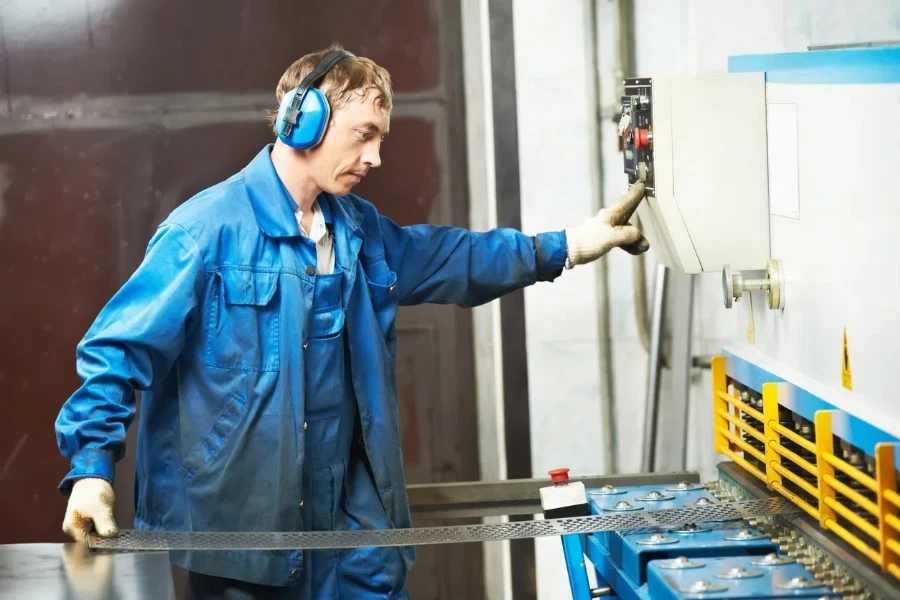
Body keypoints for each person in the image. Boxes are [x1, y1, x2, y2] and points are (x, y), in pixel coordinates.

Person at [55, 44, 649, 599]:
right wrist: (90, 469)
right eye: (364, 135)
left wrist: (569, 244)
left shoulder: (357, 231)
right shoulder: (205, 232)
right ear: (304, 121)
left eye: (381, 139)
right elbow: (118, 351)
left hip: (353, 525)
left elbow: (454, 256)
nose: (376, 158)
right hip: (243, 528)